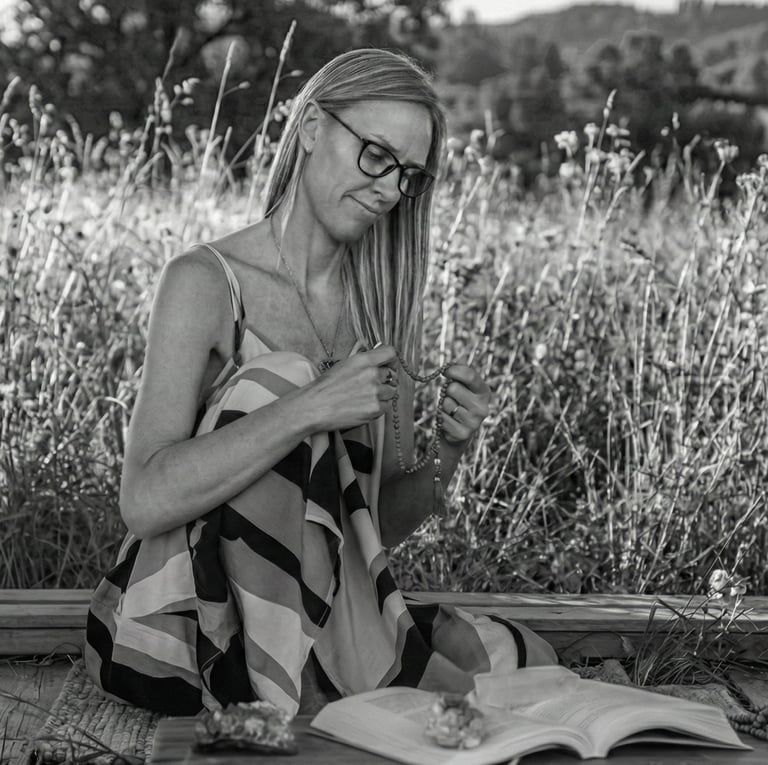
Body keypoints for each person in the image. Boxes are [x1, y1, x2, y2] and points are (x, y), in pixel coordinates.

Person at [85, 48, 556, 717]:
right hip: (181, 629)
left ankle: (334, 681)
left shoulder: (379, 312)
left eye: (408, 175)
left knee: (526, 659)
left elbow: (369, 529)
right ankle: (321, 695)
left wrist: (449, 451)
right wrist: (308, 407)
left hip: (326, 619)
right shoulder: (204, 283)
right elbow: (143, 500)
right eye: (376, 154)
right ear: (311, 128)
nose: (388, 189)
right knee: (277, 380)